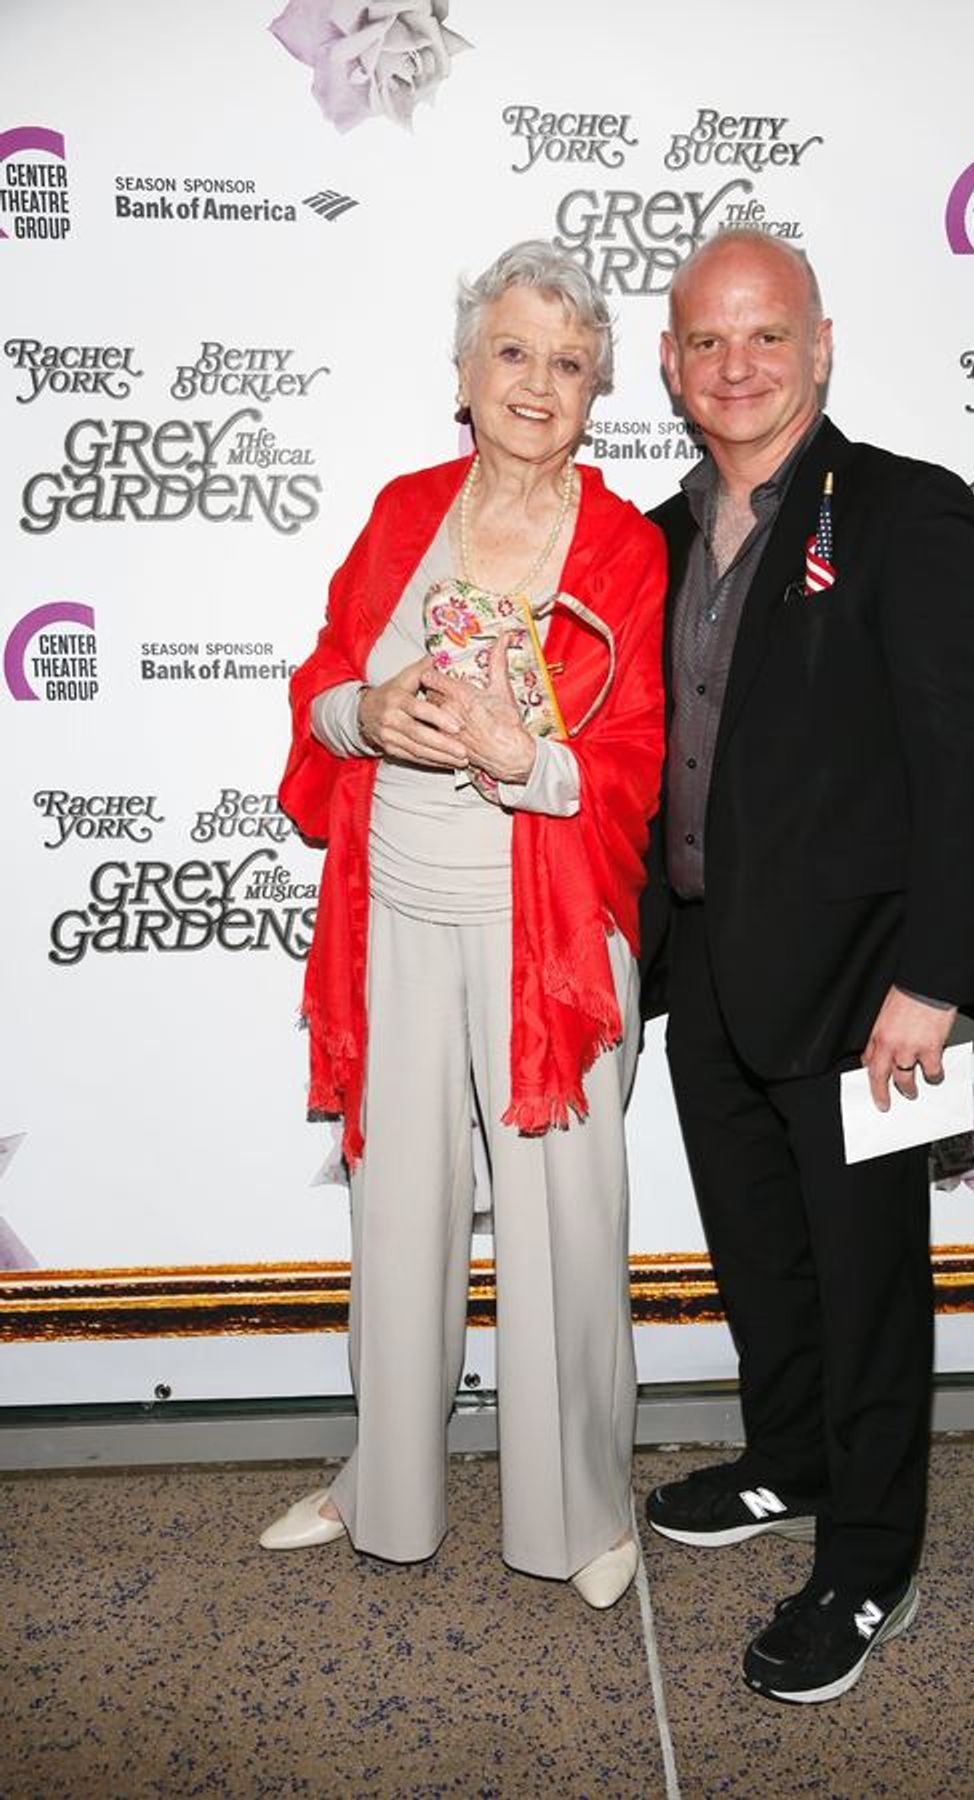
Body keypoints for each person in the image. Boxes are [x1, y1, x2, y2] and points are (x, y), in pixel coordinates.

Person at [638, 230, 974, 1699]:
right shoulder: (661, 536)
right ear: (672, 364)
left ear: (821, 343)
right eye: (707, 342)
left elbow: (972, 765)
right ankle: (789, 1462)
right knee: (761, 1262)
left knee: (871, 1285)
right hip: (711, 985)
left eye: (767, 337)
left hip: (877, 997)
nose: (737, 367)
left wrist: (936, 983)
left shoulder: (909, 512)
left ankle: (871, 1561)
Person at [261, 241, 665, 1611]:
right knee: (400, 1219)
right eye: (512, 352)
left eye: (566, 361)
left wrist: (519, 751)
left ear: (598, 387)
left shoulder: (622, 544)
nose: (536, 384)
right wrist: (359, 715)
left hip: (543, 931)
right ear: (464, 372)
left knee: (564, 1231)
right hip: (395, 920)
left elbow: (634, 765)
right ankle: (388, 1484)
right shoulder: (402, 512)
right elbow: (325, 677)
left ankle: (589, 1516)